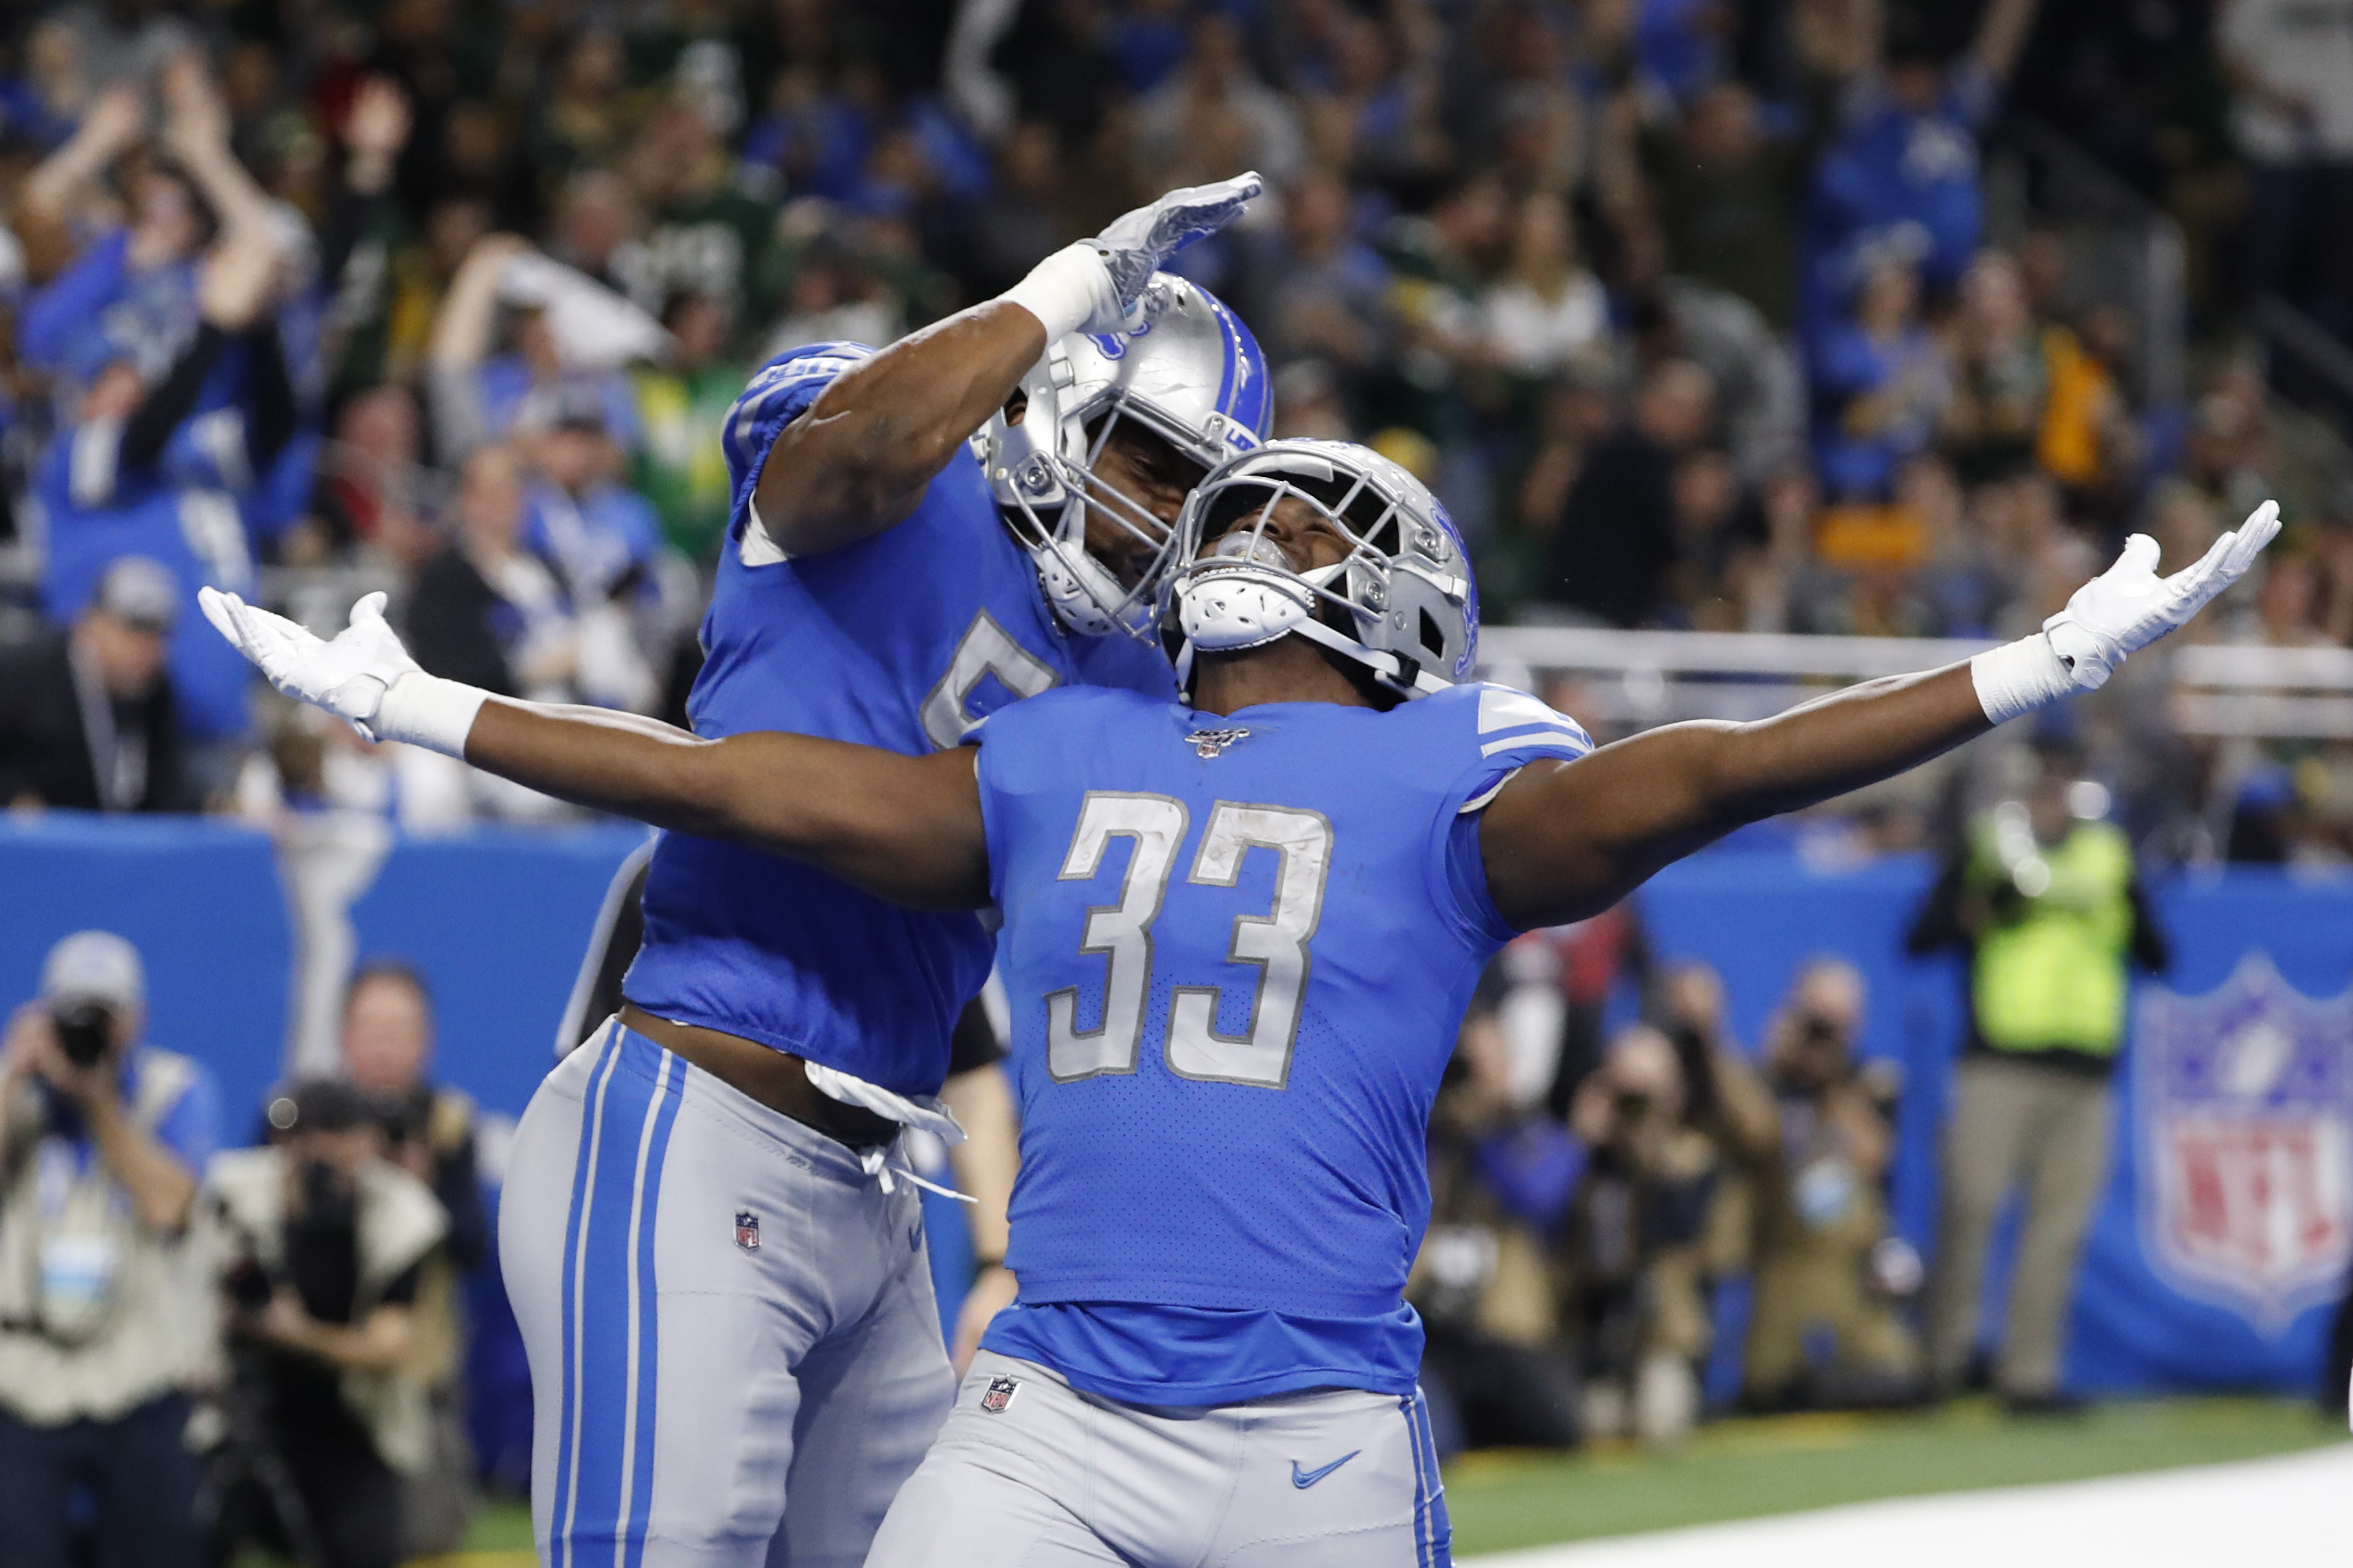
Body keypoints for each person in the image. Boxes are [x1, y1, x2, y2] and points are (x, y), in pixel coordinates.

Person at [207, 430, 2276, 1564]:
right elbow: (745, 782)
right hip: (1057, 1410)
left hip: (1309, 1425)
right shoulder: (1074, 748)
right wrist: (431, 706)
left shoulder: (1443, 769)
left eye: (1292, 509)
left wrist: (2025, 669)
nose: (1257, 518)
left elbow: (1722, 770)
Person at [235, 172, 1268, 1567]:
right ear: (1055, 396)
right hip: (695, 1113)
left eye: (1192, 493)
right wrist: (1061, 285)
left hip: (880, 1183)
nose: (1156, 517)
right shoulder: (879, 482)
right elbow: (866, 454)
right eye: (1147, 458)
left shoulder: (1132, 682)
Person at [1910, 749, 2171, 1412]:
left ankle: (2030, 1373)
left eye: (2065, 776)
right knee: (1970, 1209)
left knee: (2058, 1229)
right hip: (1999, 1058)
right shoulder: (1991, 847)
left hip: (2085, 1067)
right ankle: (1944, 1361)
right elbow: (1924, 934)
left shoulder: (2109, 855)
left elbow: (2156, 950)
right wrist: (1983, 902)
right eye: (2043, 779)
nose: (2053, 791)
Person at [0, 931, 220, 1568]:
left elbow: (170, 1204)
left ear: (137, 1019)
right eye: (74, 1011)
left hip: (137, 1367)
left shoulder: (170, 1088)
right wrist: (17, 1071)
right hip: (26, 1376)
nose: (91, 1029)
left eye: (105, 1013)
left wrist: (98, 1101)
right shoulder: (17, 1092)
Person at [207, 1078, 446, 1568]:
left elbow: (387, 1350)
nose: (313, 1154)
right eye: (299, 1139)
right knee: (186, 1535)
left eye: (330, 1138)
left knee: (366, 1547)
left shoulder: (401, 1215)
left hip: (353, 1424)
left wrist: (292, 1332)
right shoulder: (234, 1195)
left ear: (366, 1142)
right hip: (239, 1413)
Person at [338, 960, 489, 1553]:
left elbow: (472, 1246)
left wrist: (416, 1189)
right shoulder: (304, 1116)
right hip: (318, 1366)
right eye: (370, 1028)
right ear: (342, 1036)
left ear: (424, 1042)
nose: (383, 1046)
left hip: (417, 1370)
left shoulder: (448, 1124)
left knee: (428, 1535)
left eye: (398, 1030)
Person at [1740, 959, 1921, 1411]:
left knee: (1896, 1378)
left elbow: (1874, 1155)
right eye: (1816, 1017)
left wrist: (1833, 1081)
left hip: (1850, 1265)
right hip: (1784, 1260)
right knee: (1770, 1386)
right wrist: (1778, 1069)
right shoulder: (1765, 1081)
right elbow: (1754, 1139)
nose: (1825, 1031)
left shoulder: (1869, 1082)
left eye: (1837, 1019)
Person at [0, 555, 190, 812]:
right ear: (91, 623)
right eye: (134, 629)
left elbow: (164, 784)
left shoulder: (155, 688)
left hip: (107, 843)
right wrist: (14, 796)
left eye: (158, 635)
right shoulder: (25, 672)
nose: (147, 649)